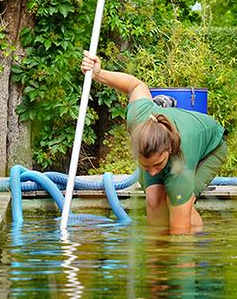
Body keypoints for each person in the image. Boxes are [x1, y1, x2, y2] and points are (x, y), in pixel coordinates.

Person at [81, 51, 227, 234]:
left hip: (211, 148)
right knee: (154, 200)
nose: (153, 172)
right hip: (166, 148)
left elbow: (179, 235)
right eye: (145, 165)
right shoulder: (138, 117)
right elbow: (136, 85)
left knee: (181, 210)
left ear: (169, 149)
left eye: (157, 165)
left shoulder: (181, 162)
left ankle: (201, 244)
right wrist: (98, 74)